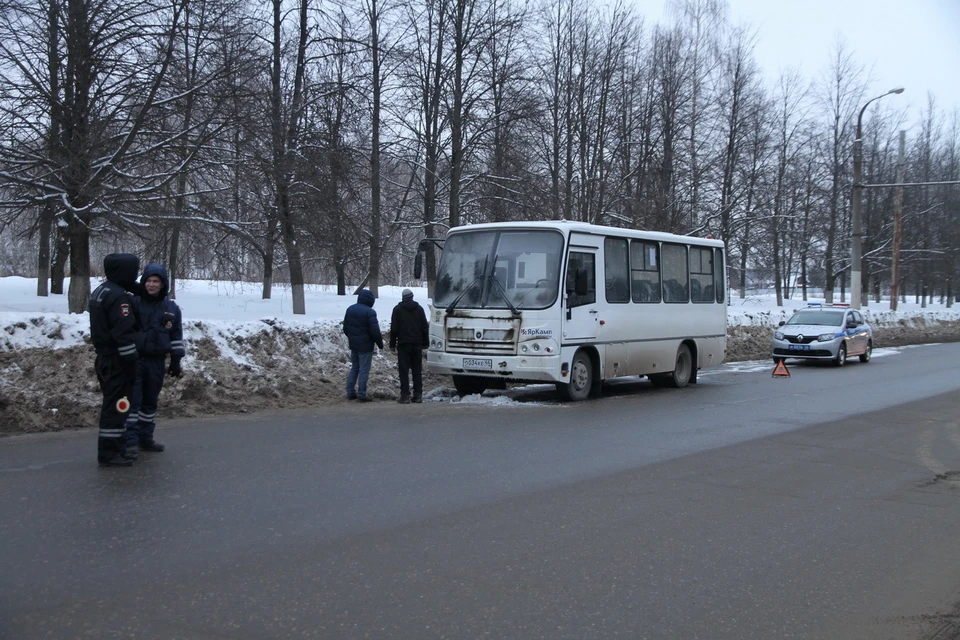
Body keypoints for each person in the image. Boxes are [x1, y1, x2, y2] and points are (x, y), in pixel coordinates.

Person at [88, 253, 144, 467]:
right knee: (118, 405)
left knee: (116, 404)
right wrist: (131, 363)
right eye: (133, 270)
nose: (136, 275)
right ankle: (110, 453)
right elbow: (123, 334)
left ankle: (115, 448)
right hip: (117, 360)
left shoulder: (102, 290)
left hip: (105, 357)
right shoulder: (120, 297)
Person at [124, 264, 185, 458]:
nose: (151, 285)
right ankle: (130, 441)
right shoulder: (133, 303)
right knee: (133, 402)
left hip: (156, 361)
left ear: (162, 284)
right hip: (134, 360)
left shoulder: (171, 308)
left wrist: (176, 361)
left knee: (150, 402)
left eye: (155, 281)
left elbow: (176, 336)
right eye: (148, 281)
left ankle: (146, 438)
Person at [343, 288, 384, 402]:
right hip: (366, 346)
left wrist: (353, 338)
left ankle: (350, 392)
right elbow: (375, 331)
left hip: (354, 345)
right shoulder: (370, 312)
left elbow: (345, 328)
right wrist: (379, 344)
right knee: (364, 370)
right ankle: (362, 394)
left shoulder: (350, 309)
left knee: (355, 368)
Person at [389, 288, 429, 404]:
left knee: (404, 371)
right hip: (417, 344)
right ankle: (418, 395)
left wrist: (392, 344)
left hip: (403, 345)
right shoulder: (420, 309)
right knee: (417, 370)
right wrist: (425, 343)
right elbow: (424, 327)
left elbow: (394, 329)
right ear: (412, 297)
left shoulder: (397, 310)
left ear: (403, 298)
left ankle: (405, 396)